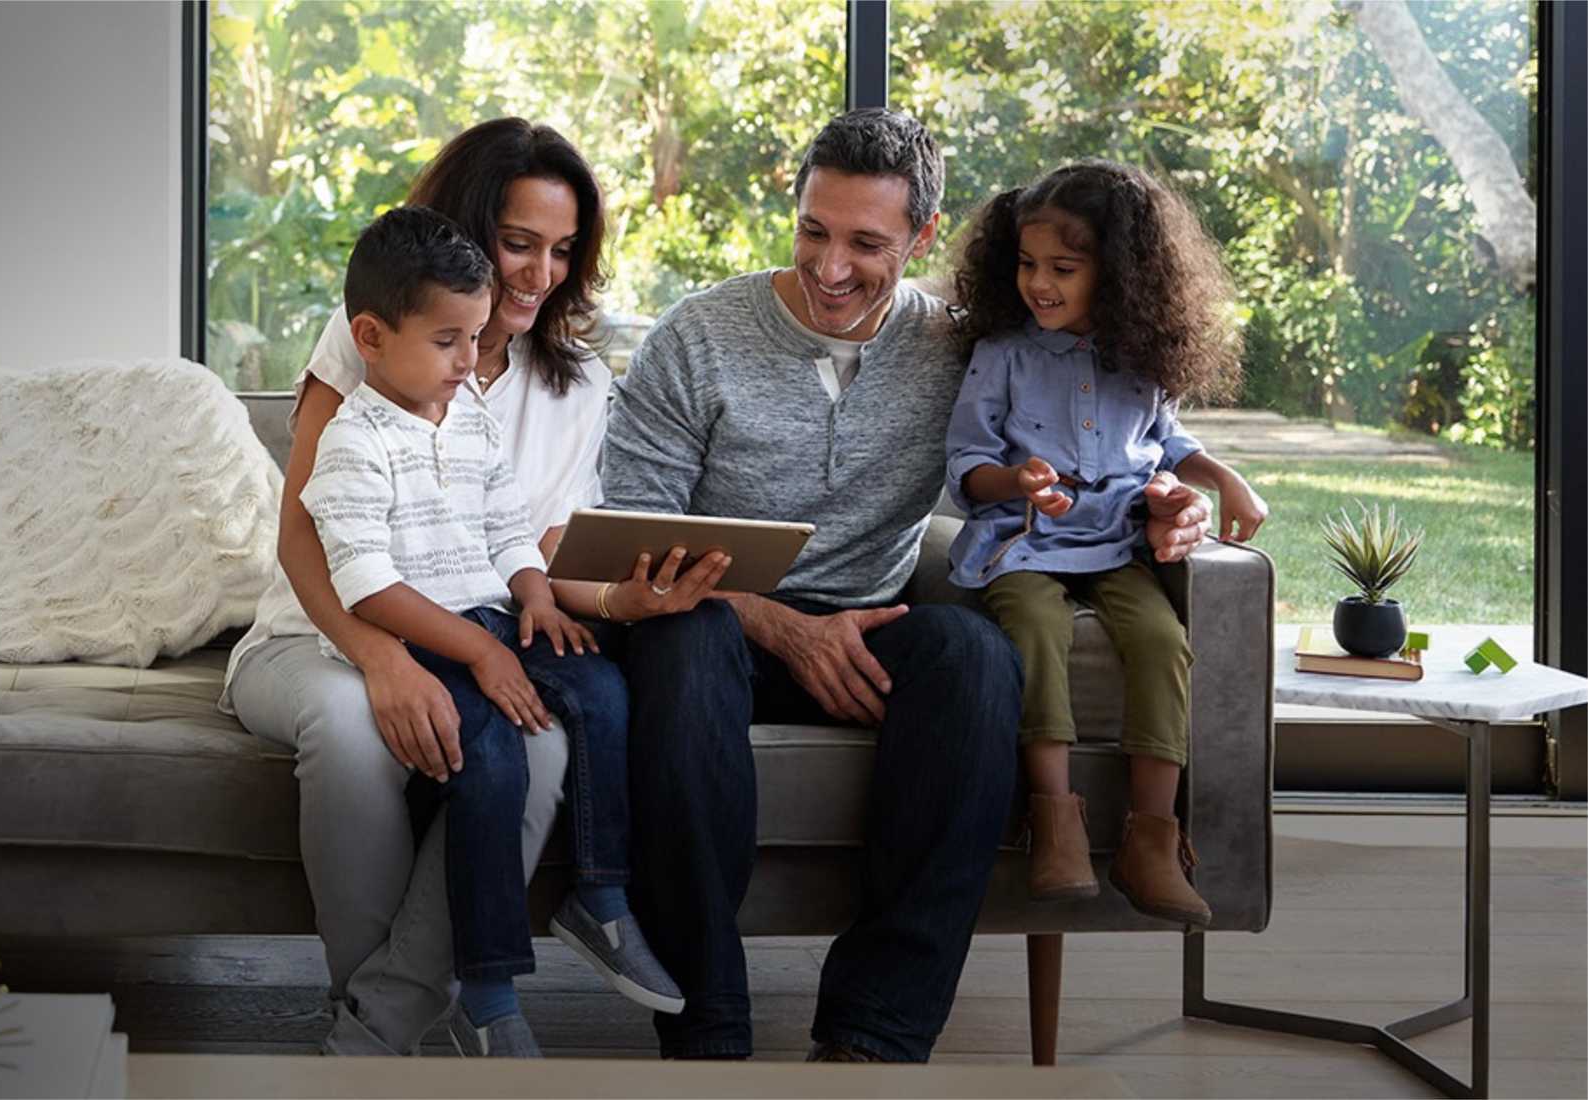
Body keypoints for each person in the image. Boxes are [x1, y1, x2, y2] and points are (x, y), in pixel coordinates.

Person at [602, 110, 1215, 1064]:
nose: (831, 265)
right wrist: (785, 628)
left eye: (866, 243)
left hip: (874, 623)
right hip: (712, 621)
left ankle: (875, 1036)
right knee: (680, 648)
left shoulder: (963, 347)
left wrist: (1175, 508)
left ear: (922, 239)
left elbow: (1109, 435)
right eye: (814, 229)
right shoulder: (699, 337)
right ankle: (706, 1025)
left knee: (974, 656)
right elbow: (636, 544)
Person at [221, 118, 724, 1056]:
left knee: (537, 741)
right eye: (518, 245)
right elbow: (305, 533)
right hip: (317, 628)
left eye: (564, 251)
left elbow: (534, 545)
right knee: (354, 725)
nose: (540, 275)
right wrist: (377, 658)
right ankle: (385, 1023)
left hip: (464, 621)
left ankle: (386, 1023)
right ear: (467, 238)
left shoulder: (573, 384)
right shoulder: (378, 338)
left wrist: (621, 602)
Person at [299, 206, 684, 1056]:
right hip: (422, 629)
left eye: (474, 341)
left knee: (600, 690)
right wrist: (477, 647)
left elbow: (509, 522)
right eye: (448, 342)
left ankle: (602, 894)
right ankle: (487, 987)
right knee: (497, 755)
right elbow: (362, 580)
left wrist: (535, 592)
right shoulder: (354, 439)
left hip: (490, 613)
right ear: (369, 335)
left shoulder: (465, 410)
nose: (469, 363)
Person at [945, 160, 1269, 927]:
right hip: (1024, 541)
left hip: (1117, 542)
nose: (1039, 284)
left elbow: (1165, 440)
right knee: (1033, 626)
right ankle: (1054, 820)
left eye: (1063, 267)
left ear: (1119, 273)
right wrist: (1017, 482)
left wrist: (1223, 477)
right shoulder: (1006, 353)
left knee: (1162, 641)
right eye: (1027, 265)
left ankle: (1153, 841)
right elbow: (966, 465)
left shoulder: (1142, 356)